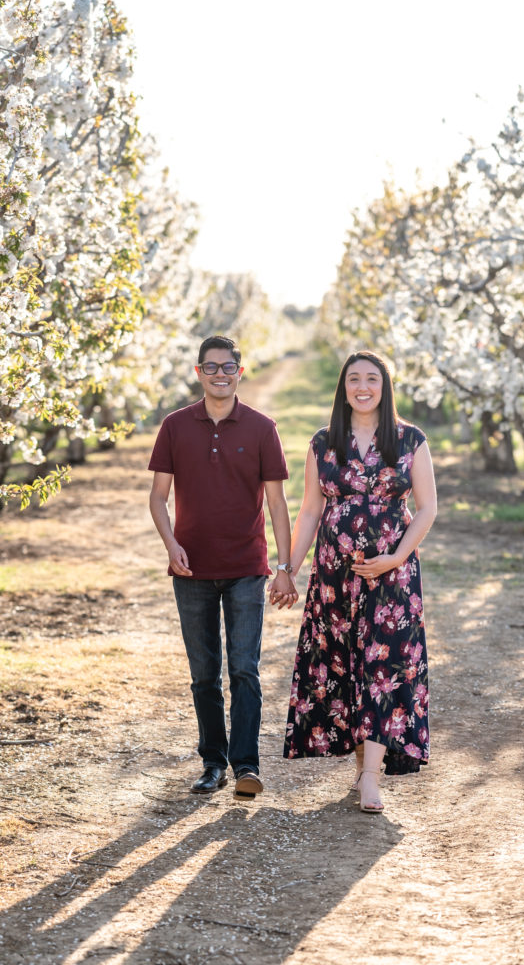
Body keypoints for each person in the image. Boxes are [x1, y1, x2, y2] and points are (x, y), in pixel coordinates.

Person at [283, 351, 437, 813]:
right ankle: (359, 769)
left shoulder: (410, 439)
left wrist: (395, 556)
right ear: (343, 386)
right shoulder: (323, 441)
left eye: (372, 378)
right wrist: (288, 568)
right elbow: (311, 510)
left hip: (393, 576)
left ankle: (371, 777)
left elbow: (427, 508)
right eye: (354, 378)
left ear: (385, 386)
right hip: (334, 574)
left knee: (383, 666)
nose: (363, 386)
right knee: (345, 665)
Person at [149, 335, 298, 799]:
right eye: (210, 367)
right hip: (191, 569)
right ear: (198, 373)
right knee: (203, 673)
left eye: (227, 367)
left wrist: (285, 566)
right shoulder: (175, 426)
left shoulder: (261, 427)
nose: (219, 374)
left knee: (245, 669)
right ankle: (212, 763)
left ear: (240, 371)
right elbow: (158, 498)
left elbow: (277, 503)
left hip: (246, 568)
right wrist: (170, 544)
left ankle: (246, 765)